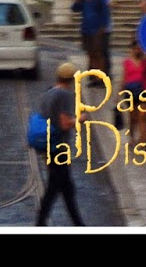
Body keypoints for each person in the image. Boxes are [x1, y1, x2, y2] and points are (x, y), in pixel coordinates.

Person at [35, 61, 85, 226]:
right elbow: (64, 123)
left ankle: (78, 225)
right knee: (56, 188)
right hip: (59, 148)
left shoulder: (49, 92)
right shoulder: (64, 95)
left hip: (48, 146)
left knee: (65, 188)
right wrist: (79, 119)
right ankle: (40, 224)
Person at [71, 0, 111, 72]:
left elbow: (105, 13)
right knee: (90, 53)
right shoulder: (83, 0)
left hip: (97, 31)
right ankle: (93, 75)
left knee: (98, 54)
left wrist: (103, 27)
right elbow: (74, 8)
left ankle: (100, 75)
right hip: (86, 30)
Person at [121, 42, 146, 143]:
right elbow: (124, 77)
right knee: (133, 117)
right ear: (132, 49)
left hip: (143, 90)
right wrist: (120, 92)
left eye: (139, 49)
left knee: (143, 116)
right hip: (130, 91)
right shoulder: (127, 62)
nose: (138, 51)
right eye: (136, 49)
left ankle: (143, 140)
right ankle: (131, 137)